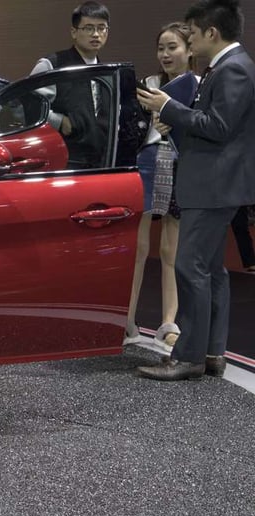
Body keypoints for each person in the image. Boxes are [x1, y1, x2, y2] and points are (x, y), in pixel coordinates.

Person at [136, 0, 255, 381]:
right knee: (211, 272)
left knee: (190, 267)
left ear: (211, 33)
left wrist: (168, 107)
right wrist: (181, 123)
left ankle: (188, 357)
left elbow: (219, 126)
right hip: (216, 184)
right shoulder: (228, 67)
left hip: (212, 185)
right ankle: (211, 353)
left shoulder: (233, 69)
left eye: (190, 34)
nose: (188, 41)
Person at [123, 23, 198, 351]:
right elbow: (128, 128)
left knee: (172, 249)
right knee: (137, 248)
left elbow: (205, 127)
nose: (166, 55)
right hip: (147, 162)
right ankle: (126, 318)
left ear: (190, 50)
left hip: (183, 165)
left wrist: (177, 118)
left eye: (173, 47)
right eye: (162, 48)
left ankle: (170, 321)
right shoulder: (148, 85)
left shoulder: (201, 86)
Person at [29, 1, 111, 169]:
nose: (96, 34)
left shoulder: (107, 73)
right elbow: (27, 106)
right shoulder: (52, 64)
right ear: (74, 32)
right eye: (88, 28)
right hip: (63, 160)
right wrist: (58, 121)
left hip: (100, 162)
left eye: (101, 28)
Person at [230, 205, 255, 272]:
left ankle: (251, 262)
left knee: (241, 228)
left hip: (238, 201)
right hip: (218, 201)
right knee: (216, 232)